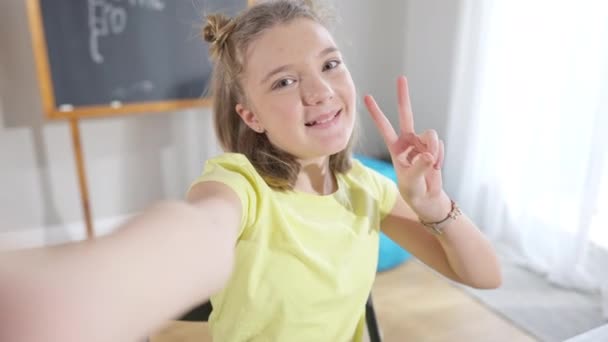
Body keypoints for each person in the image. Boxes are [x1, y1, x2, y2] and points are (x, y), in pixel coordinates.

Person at [0, 0, 501, 341]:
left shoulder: (369, 188)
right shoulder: (238, 186)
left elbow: (485, 274)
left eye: (330, 65)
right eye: (284, 82)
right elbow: (196, 230)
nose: (320, 91)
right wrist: (79, 291)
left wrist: (434, 206)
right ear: (250, 116)